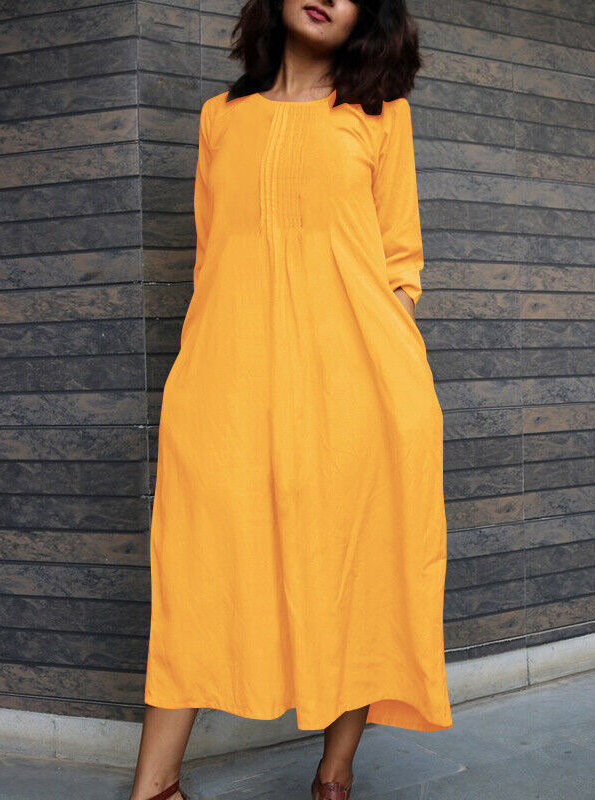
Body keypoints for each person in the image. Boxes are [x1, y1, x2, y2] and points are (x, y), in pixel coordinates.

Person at [129, 0, 452, 797]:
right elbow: (211, 259)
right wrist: (197, 374)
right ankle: (155, 787)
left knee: (358, 567)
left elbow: (400, 260)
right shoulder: (221, 117)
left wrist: (387, 359)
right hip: (229, 385)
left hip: (358, 388)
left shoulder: (381, 116)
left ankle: (334, 774)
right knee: (196, 571)